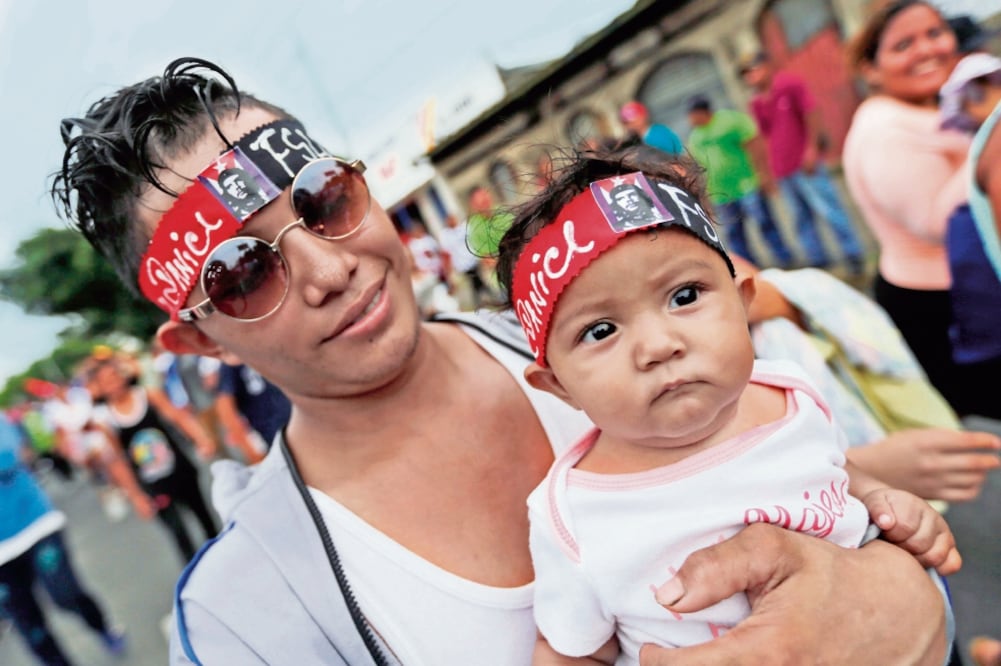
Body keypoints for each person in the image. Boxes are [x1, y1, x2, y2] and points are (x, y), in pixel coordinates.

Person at [52, 56, 955, 665]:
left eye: (323, 201)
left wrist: (906, 603)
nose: (330, 267)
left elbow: (832, 528)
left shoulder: (603, 338)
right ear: (199, 337)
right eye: (245, 272)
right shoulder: (243, 619)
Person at [494, 147, 959, 663]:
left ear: (743, 302)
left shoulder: (791, 394)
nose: (658, 345)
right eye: (600, 330)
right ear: (558, 385)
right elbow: (572, 651)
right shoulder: (575, 515)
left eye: (685, 296)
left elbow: (839, 474)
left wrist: (886, 502)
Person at [842, 0, 1001, 421]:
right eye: (903, 44)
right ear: (871, 68)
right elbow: (935, 220)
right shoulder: (883, 128)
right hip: (945, 305)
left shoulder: (938, 104)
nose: (928, 49)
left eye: (935, 33)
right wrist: (990, 134)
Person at [0, 410, 127, 665]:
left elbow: (8, 455)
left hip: (34, 524)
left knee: (65, 594)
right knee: (30, 628)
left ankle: (102, 625)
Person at [82, 349, 220, 564]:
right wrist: (136, 496)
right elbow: (118, 461)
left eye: (115, 376)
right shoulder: (106, 420)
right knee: (178, 534)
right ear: (99, 388)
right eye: (107, 381)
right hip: (153, 485)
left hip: (179, 470)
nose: (114, 383)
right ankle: (197, 575)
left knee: (204, 517)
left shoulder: (148, 395)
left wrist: (201, 439)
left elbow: (178, 417)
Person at [739, 50, 866, 272]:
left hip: (805, 163)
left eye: (754, 70)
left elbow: (811, 112)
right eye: (746, 74)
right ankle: (819, 261)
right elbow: (767, 136)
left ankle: (853, 255)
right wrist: (768, 171)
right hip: (783, 168)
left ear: (767, 66)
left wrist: (812, 149)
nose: (752, 77)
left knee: (829, 208)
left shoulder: (789, 84)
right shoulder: (757, 102)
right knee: (800, 218)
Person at [685, 95, 796, 269]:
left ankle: (785, 260)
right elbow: (698, 169)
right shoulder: (695, 137)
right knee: (734, 233)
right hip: (721, 194)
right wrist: (705, 199)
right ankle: (749, 267)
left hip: (747, 184)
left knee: (765, 223)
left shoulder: (730, 121)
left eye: (692, 114)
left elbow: (753, 145)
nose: (690, 119)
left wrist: (764, 175)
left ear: (702, 112)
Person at [618, 100, 684, 156]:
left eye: (630, 122)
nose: (629, 126)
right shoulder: (639, 139)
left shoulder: (658, 133)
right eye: (625, 123)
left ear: (642, 117)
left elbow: (674, 155)